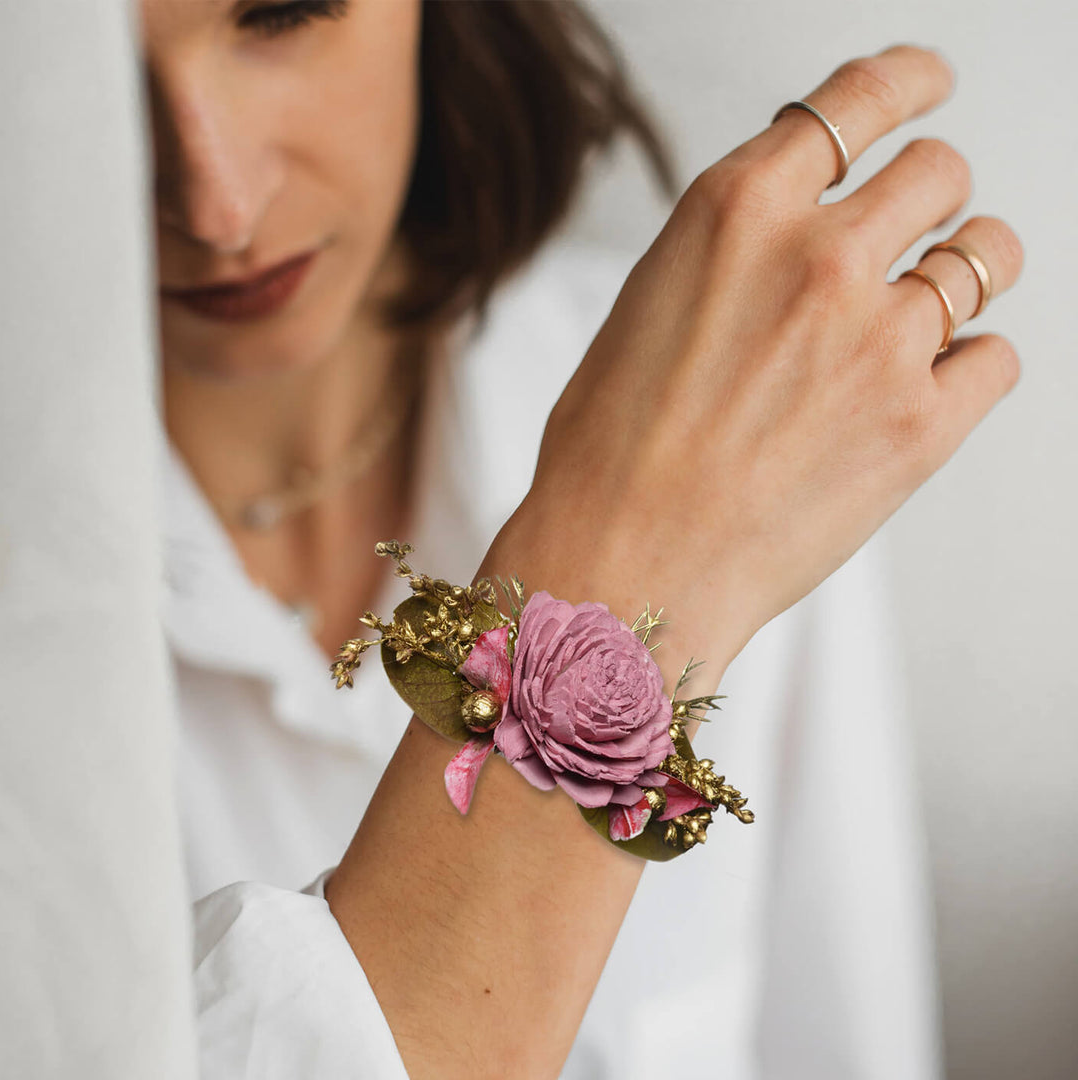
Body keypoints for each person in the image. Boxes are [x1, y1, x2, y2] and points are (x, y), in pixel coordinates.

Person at [141, 1, 1022, 1076]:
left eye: (281, 12)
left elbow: (842, 1032)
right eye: (90, 80)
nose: (215, 200)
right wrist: (620, 565)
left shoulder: (748, 400)